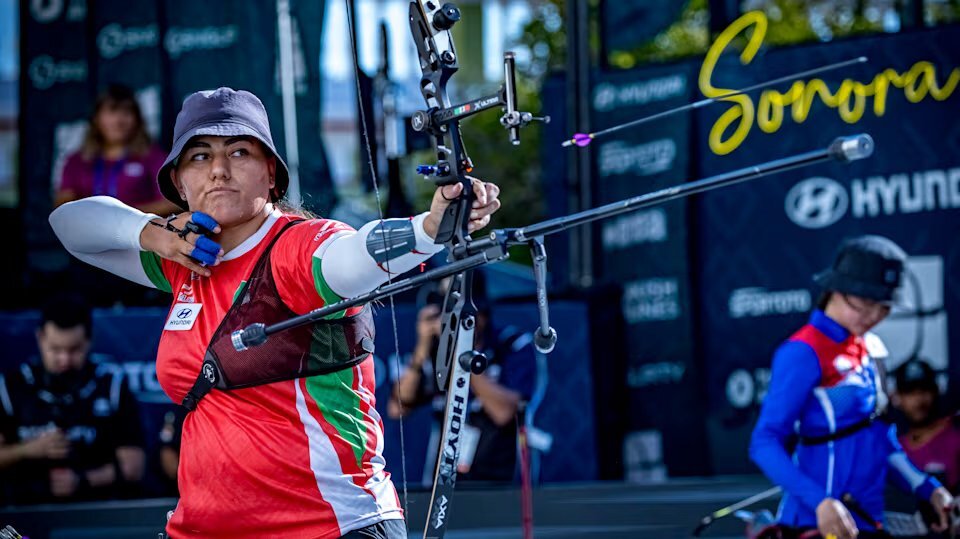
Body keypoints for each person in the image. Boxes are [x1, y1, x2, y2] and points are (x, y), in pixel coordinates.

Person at [49, 87, 501, 539]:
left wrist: (425, 229)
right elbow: (69, 225)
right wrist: (152, 233)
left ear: (271, 174)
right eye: (200, 157)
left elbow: (354, 255)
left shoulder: (296, 247)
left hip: (327, 528)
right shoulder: (181, 261)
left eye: (239, 151)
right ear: (180, 183)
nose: (219, 170)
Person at [749, 236, 955, 539]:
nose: (873, 316)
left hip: (868, 520)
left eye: (883, 307)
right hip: (817, 524)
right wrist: (820, 502)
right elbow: (764, 442)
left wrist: (927, 487)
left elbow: (879, 436)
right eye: (865, 303)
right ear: (836, 289)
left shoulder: (872, 347)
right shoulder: (803, 352)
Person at [0, 294, 145, 504]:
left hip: (96, 513)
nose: (64, 359)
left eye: (74, 349)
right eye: (56, 349)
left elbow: (134, 466)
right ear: (40, 338)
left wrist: (82, 480)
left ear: (89, 339)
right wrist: (29, 450)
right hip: (24, 515)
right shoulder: (11, 386)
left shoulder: (111, 385)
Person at [388, 277, 535, 483]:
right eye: (448, 315)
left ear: (483, 313)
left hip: (500, 479)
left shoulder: (512, 345)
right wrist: (421, 349)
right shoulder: (435, 350)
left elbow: (503, 413)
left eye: (463, 315)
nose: (455, 323)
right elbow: (398, 407)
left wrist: (463, 352)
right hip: (444, 483)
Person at [55, 84, 179, 216]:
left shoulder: (153, 157)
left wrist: (125, 216)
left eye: (126, 113)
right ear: (96, 119)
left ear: (137, 120)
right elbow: (62, 205)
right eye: (111, 112)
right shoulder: (77, 161)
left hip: (138, 234)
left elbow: (173, 202)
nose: (118, 121)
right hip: (88, 234)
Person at [893, 359, 960, 493]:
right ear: (897, 397)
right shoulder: (893, 448)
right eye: (910, 392)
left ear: (937, 391)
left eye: (924, 390)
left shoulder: (956, 438)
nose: (919, 399)